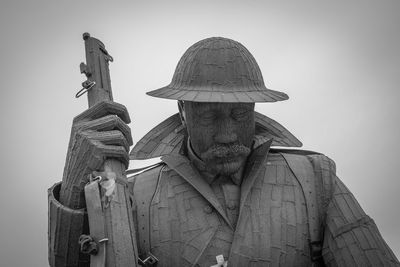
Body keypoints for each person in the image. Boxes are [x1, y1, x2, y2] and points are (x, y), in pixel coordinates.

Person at [48, 37, 399, 267]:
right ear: (183, 112)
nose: (228, 132)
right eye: (210, 116)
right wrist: (76, 183)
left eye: (239, 113)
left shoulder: (315, 179)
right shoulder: (131, 195)